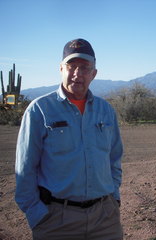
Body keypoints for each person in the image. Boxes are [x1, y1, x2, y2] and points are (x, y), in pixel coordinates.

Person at [15, 38, 123, 240]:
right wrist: (36, 214)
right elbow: (25, 169)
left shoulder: (105, 110)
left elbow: (114, 159)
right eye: (71, 66)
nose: (77, 74)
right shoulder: (39, 110)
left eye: (84, 67)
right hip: (56, 221)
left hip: (105, 219)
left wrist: (113, 199)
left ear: (94, 73)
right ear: (61, 68)